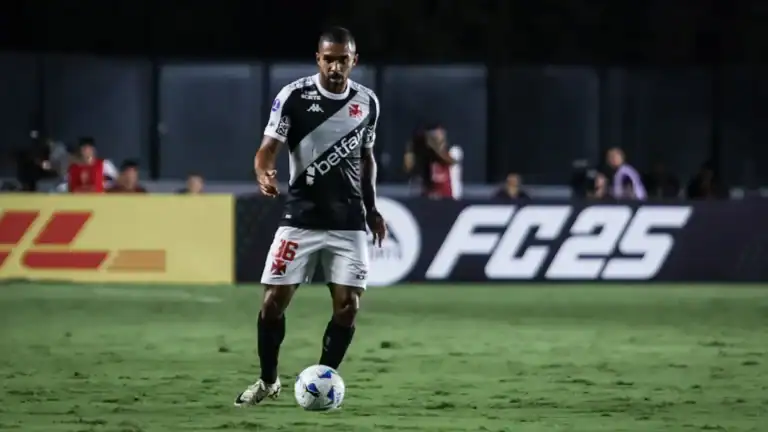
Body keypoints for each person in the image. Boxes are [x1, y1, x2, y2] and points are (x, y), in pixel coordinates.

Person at [235, 26, 386, 407]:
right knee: (272, 302)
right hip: (300, 219)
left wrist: (372, 209)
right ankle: (268, 380)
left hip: (348, 222)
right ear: (318, 59)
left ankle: (323, 380)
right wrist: (263, 173)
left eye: (343, 59)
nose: (335, 67)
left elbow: (366, 159)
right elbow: (267, 148)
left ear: (354, 60)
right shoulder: (294, 97)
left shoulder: (367, 102)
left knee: (348, 306)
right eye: (329, 59)